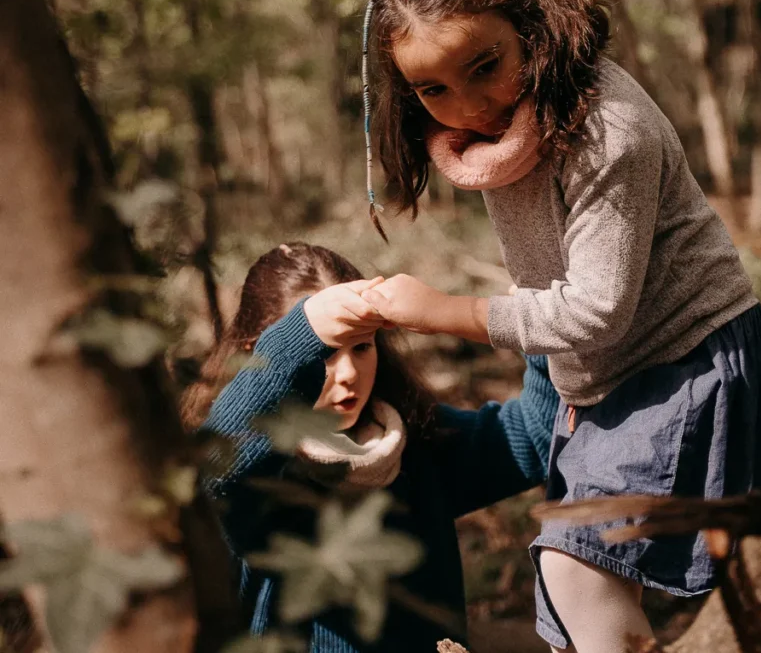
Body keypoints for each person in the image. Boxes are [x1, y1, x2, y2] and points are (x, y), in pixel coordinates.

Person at [354, 0, 761, 651]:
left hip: (685, 361)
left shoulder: (607, 129)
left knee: (579, 565)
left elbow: (595, 310)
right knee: (569, 607)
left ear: (525, 23)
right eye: (433, 89)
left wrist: (449, 311)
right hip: (609, 377)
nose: (470, 105)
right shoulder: (501, 136)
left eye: (484, 66)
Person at [182, 242, 559, 653]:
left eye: (361, 347)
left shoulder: (413, 446)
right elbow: (214, 477)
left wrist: (532, 326)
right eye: (321, 356)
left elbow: (536, 435)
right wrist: (300, 337)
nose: (346, 374)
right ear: (256, 356)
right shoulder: (257, 473)